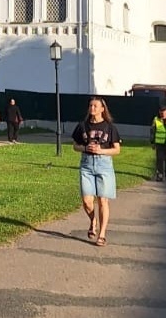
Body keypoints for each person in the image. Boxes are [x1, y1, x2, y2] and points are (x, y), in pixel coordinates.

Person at [72, 97, 121, 247]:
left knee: (102, 200)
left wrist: (102, 150)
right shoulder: (82, 126)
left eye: (95, 106)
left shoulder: (110, 127)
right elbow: (75, 145)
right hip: (87, 164)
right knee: (87, 201)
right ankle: (93, 220)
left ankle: (102, 234)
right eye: (90, 105)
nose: (92, 108)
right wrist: (85, 148)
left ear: (102, 109)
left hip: (104, 164)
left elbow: (117, 150)